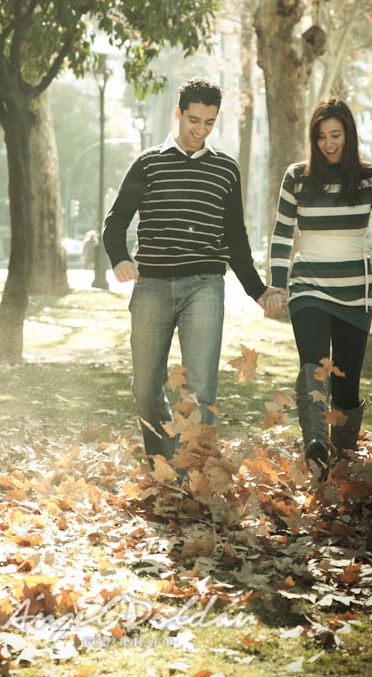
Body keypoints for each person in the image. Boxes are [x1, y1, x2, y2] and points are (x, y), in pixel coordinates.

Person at [103, 77, 278, 463]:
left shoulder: (226, 170)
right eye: (193, 120)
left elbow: (235, 237)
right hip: (151, 286)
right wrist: (119, 258)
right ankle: (164, 464)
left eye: (209, 123)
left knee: (199, 389)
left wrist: (257, 290)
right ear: (178, 113)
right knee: (146, 388)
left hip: (205, 286)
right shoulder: (148, 163)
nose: (200, 130)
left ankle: (193, 475)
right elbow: (115, 221)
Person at [267, 98, 372, 480]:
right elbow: (283, 235)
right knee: (316, 367)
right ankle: (316, 447)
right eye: (321, 137)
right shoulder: (296, 177)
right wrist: (276, 286)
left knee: (346, 385)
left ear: (349, 135)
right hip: (310, 286)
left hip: (355, 291)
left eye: (335, 135)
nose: (328, 144)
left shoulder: (371, 178)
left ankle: (344, 465)